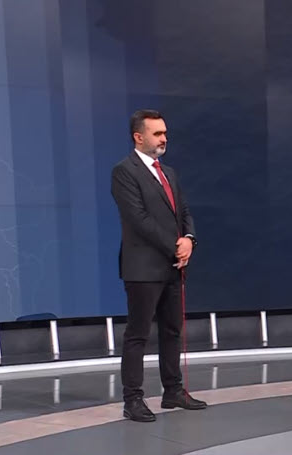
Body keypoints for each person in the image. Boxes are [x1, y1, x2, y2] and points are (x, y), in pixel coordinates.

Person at [110, 109, 207, 422]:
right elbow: (138, 219)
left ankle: (173, 391)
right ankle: (133, 399)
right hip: (143, 268)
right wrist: (175, 245)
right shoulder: (124, 172)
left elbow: (184, 211)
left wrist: (189, 238)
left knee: (172, 330)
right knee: (138, 334)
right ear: (139, 137)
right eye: (157, 133)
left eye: (165, 132)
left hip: (173, 265)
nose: (164, 138)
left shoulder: (169, 173)